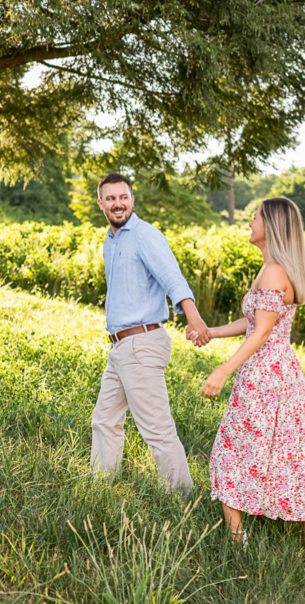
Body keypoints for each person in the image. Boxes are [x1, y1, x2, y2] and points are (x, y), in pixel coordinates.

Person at [200, 197, 305, 556]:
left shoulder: (274, 271)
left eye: (255, 216)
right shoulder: (272, 269)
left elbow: (260, 333)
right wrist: (212, 332)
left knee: (233, 450)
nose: (250, 221)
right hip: (277, 372)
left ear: (270, 225)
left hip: (265, 375)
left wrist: (223, 370)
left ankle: (236, 542)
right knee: (291, 451)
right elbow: (254, 321)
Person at [90, 173, 210, 493]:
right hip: (120, 347)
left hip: (141, 343)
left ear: (133, 199)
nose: (118, 203)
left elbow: (173, 278)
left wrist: (194, 318)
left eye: (124, 197)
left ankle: (183, 497)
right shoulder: (111, 240)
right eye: (111, 198)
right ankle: (100, 488)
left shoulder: (145, 235)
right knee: (104, 420)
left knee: (157, 429)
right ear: (101, 203)